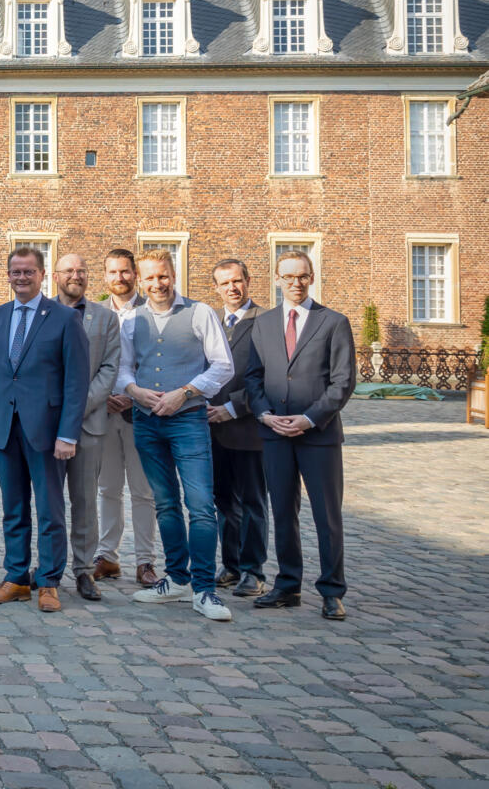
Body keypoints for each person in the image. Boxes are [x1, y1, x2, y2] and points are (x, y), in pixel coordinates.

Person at [117, 248, 235, 622]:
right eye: (150, 278)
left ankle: (205, 589)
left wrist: (184, 392)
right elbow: (122, 369)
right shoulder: (131, 319)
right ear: (140, 279)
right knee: (165, 503)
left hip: (188, 420)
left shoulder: (199, 313)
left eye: (163, 276)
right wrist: (134, 391)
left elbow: (223, 365)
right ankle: (178, 579)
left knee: (200, 505)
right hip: (147, 421)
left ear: (173, 274)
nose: (157, 284)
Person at [0, 247, 89, 614]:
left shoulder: (65, 318)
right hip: (4, 428)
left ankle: (49, 581)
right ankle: (16, 577)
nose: (21, 278)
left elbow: (76, 381)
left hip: (48, 431)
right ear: (7, 275)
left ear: (43, 276)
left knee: (51, 509)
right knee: (13, 508)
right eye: (15, 272)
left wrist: (68, 434)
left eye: (28, 272)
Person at [244, 251, 355, 621]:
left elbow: (343, 383)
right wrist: (263, 414)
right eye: (288, 276)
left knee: (327, 515)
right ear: (277, 278)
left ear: (311, 277)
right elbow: (253, 377)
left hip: (317, 435)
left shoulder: (333, 322)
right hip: (274, 433)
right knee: (282, 512)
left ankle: (331, 590)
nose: (295, 283)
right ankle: (288, 585)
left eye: (302, 276)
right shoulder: (264, 323)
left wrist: (309, 419)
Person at [53, 253, 122, 603]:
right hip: (47, 426)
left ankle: (83, 571)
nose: (75, 276)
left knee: (84, 501)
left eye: (81, 270)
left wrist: (76, 408)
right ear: (55, 276)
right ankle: (47, 569)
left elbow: (110, 368)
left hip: (88, 424)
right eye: (68, 270)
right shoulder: (41, 312)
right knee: (48, 502)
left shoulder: (106, 318)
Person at [98, 248, 160, 587]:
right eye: (112, 272)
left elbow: (162, 360)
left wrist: (134, 394)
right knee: (107, 488)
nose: (119, 278)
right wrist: (101, 396)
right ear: (104, 276)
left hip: (143, 412)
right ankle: (107, 556)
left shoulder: (153, 311)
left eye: (125, 272)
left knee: (143, 491)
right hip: (103, 413)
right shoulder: (93, 313)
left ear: (134, 274)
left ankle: (145, 560)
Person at [209, 259, 268, 599]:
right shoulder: (211, 321)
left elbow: (270, 377)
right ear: (216, 287)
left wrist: (232, 408)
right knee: (222, 501)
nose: (232, 288)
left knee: (252, 502)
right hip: (211, 429)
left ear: (248, 281)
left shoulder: (265, 322)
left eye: (237, 281)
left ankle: (253, 570)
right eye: (224, 283)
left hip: (246, 429)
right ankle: (230, 565)